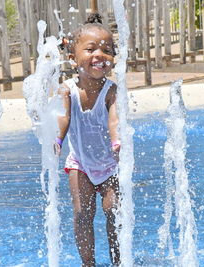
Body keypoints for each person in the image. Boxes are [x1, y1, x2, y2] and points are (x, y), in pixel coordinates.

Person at [55, 13, 121, 267]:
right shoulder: (67, 89)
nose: (99, 55)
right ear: (73, 58)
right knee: (82, 214)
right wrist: (57, 141)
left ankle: (118, 261)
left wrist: (117, 142)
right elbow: (63, 118)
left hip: (111, 164)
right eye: (91, 49)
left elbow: (114, 120)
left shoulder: (111, 90)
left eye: (107, 50)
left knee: (114, 211)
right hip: (80, 163)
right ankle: (88, 264)